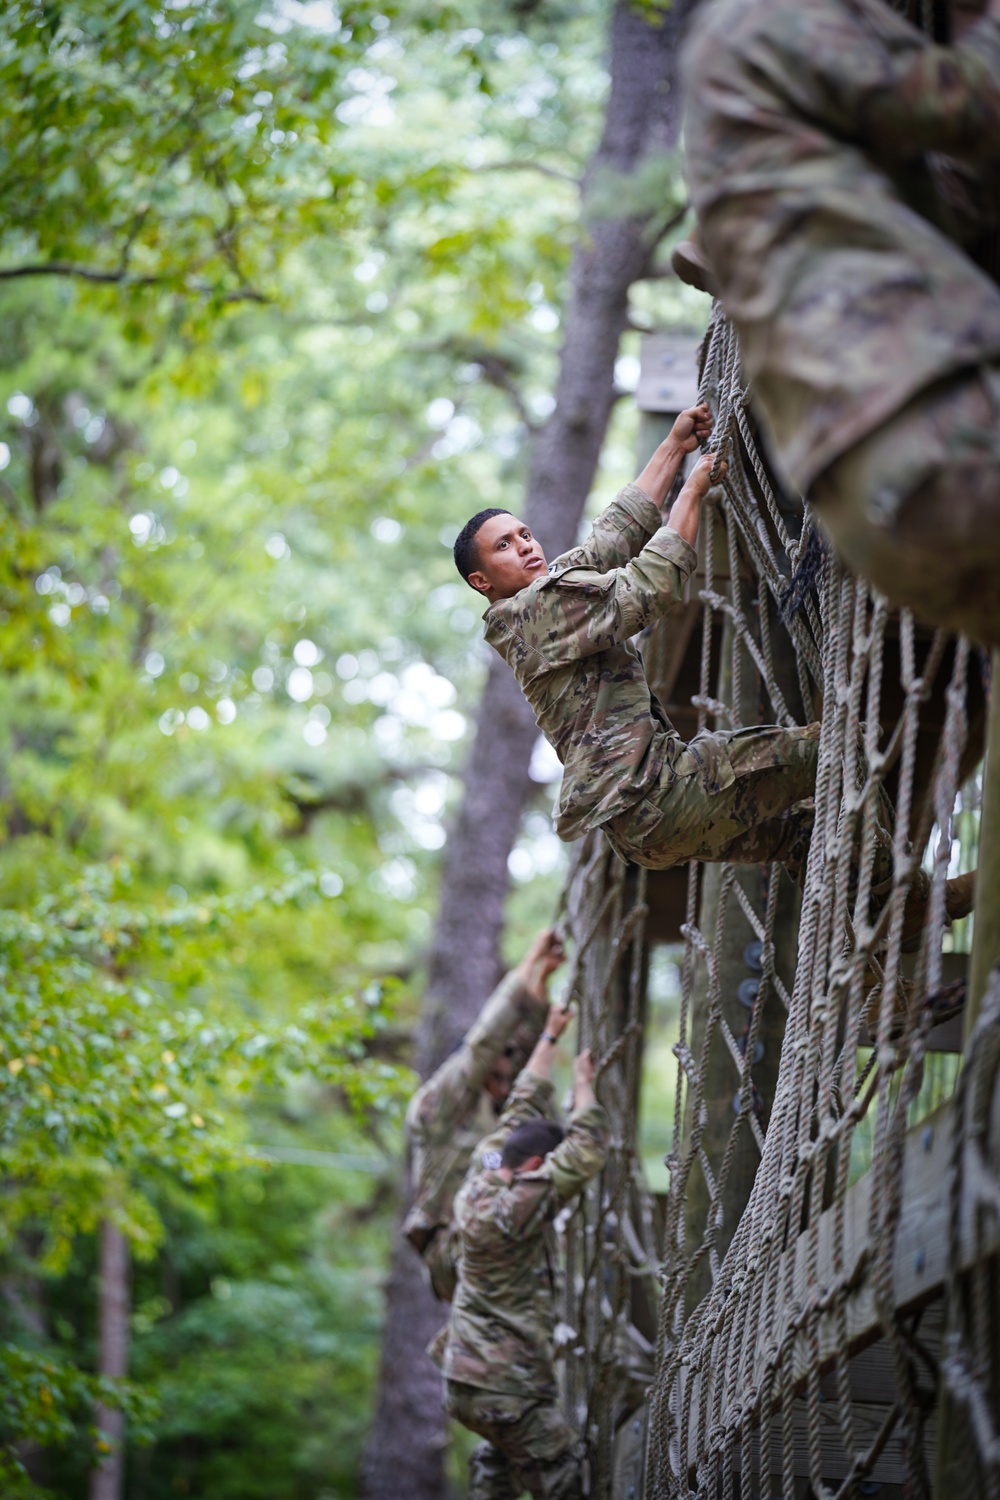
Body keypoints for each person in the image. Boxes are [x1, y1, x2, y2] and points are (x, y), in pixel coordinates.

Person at [679, 0, 1000, 646]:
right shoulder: (779, 14)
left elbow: (946, 202)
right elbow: (974, 104)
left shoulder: (744, 69)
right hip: (933, 429)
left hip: (874, 506)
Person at [454, 408, 822, 873]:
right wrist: (692, 491)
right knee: (836, 748)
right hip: (664, 796)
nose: (526, 545)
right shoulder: (532, 613)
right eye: (504, 545)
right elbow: (650, 586)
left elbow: (613, 534)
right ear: (481, 581)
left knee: (801, 836)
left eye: (524, 533)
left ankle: (906, 903)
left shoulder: (547, 597)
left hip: (646, 829)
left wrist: (674, 445)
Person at [437, 1004, 607, 1500]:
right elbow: (587, 1152)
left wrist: (550, 1038)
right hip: (504, 1383)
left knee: (501, 1455)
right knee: (560, 1473)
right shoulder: (516, 1209)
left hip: (465, 1379)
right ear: (534, 1164)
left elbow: (520, 1110)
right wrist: (583, 1084)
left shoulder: (485, 1167)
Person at [404, 929, 565, 1302]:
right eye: (495, 1072)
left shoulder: (502, 1113)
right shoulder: (439, 1110)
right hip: (452, 1246)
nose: (504, 1078)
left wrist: (542, 976)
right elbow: (487, 1039)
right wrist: (532, 956)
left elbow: (527, 1049)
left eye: (509, 1071)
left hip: (496, 1242)